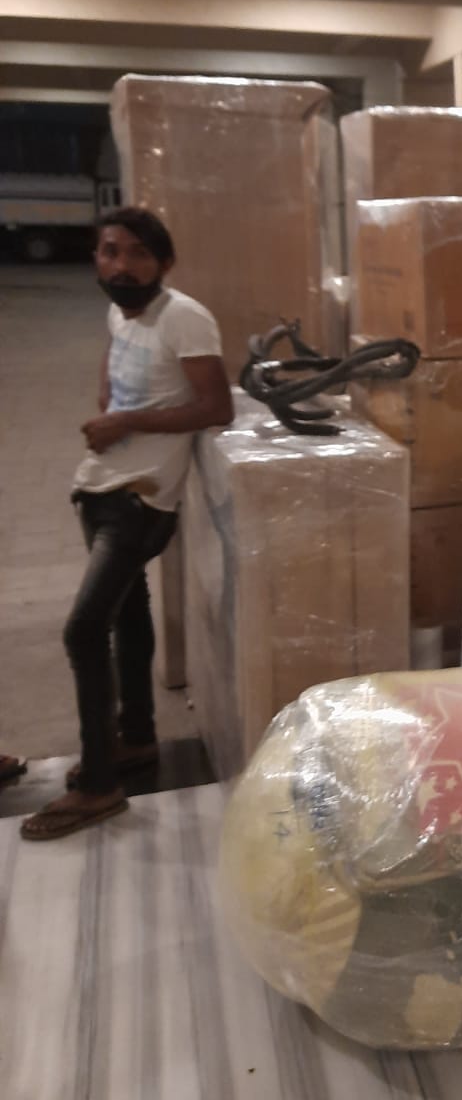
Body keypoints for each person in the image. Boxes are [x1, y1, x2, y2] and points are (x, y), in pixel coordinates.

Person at [21, 208, 233, 841]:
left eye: (138, 253)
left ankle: (99, 785)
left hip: (141, 502)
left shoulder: (183, 317)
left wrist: (126, 422)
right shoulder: (121, 312)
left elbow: (215, 406)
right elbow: (114, 359)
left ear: (164, 262)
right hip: (101, 485)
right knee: (127, 615)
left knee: (84, 630)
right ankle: (136, 737)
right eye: (110, 251)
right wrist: (111, 405)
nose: (122, 265)